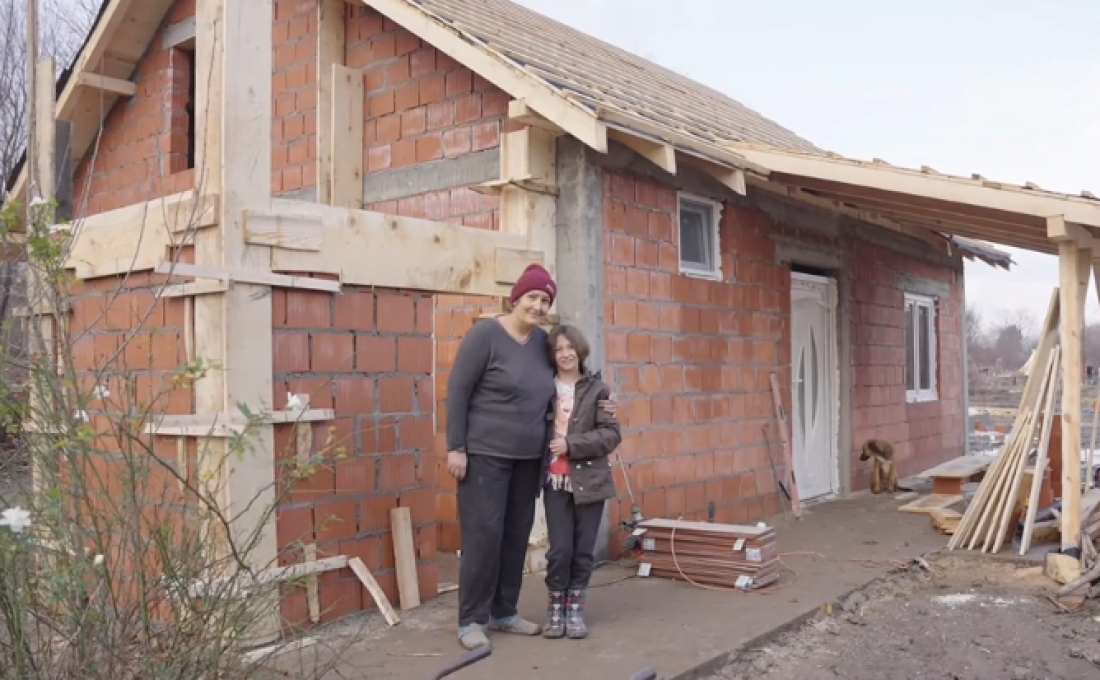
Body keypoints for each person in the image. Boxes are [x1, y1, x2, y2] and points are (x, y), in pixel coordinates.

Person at [445, 264, 615, 650]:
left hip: (529, 459)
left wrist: (604, 399)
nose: (538, 306)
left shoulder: (542, 343)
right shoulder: (485, 335)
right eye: (532, 298)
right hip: (485, 455)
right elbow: (458, 391)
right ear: (516, 298)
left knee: (516, 534)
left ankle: (504, 611)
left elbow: (572, 372)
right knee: (483, 534)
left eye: (545, 300)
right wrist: (456, 447)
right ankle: (471, 619)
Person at [541, 325, 622, 640]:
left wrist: (572, 445)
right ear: (552, 355)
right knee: (560, 549)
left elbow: (612, 434)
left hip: (590, 480)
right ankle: (555, 606)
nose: (565, 354)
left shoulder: (598, 390)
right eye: (558, 349)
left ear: (580, 350)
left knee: (583, 549)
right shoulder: (544, 388)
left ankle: (575, 609)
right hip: (554, 481)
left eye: (570, 347)